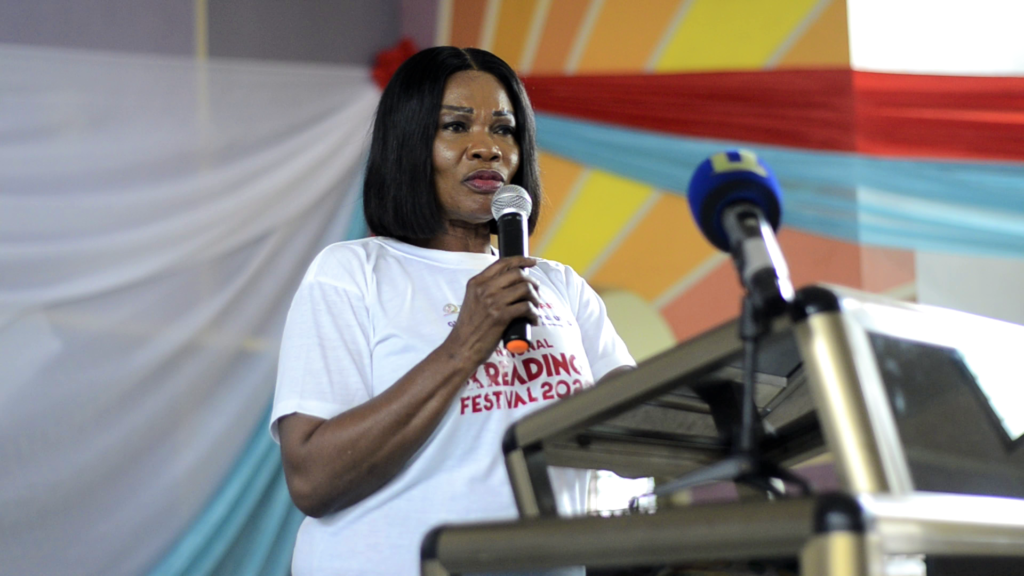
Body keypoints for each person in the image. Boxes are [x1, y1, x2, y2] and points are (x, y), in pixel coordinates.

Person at [270, 46, 635, 576]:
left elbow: (635, 438)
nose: (487, 148)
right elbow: (312, 480)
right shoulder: (353, 273)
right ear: (410, 143)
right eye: (456, 126)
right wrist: (464, 345)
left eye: (504, 130)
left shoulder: (560, 286)